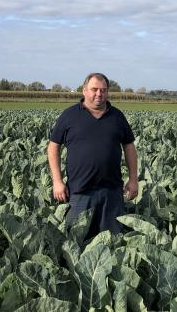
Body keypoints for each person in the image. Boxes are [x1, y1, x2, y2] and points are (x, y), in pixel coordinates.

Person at [48, 72, 138, 238]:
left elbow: (129, 146)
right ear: (84, 91)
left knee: (113, 243)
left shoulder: (117, 116)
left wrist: (133, 179)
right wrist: (57, 181)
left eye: (103, 90)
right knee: (76, 241)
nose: (99, 94)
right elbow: (53, 147)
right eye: (94, 89)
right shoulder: (69, 115)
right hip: (80, 192)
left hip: (111, 192)